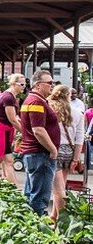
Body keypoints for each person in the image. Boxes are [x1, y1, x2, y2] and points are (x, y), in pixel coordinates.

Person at [20, 70, 60, 216]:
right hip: (40, 154)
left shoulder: (32, 99)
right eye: (49, 82)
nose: (52, 85)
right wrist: (53, 149)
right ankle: (36, 229)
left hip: (34, 153)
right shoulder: (36, 101)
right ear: (38, 85)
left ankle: (29, 225)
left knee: (32, 193)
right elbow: (38, 130)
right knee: (39, 196)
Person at [48, 85, 84, 221]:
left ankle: (63, 222)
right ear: (69, 96)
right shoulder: (78, 112)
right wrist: (76, 158)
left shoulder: (51, 109)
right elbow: (79, 138)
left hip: (54, 148)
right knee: (61, 185)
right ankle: (54, 216)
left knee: (58, 189)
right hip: (69, 150)